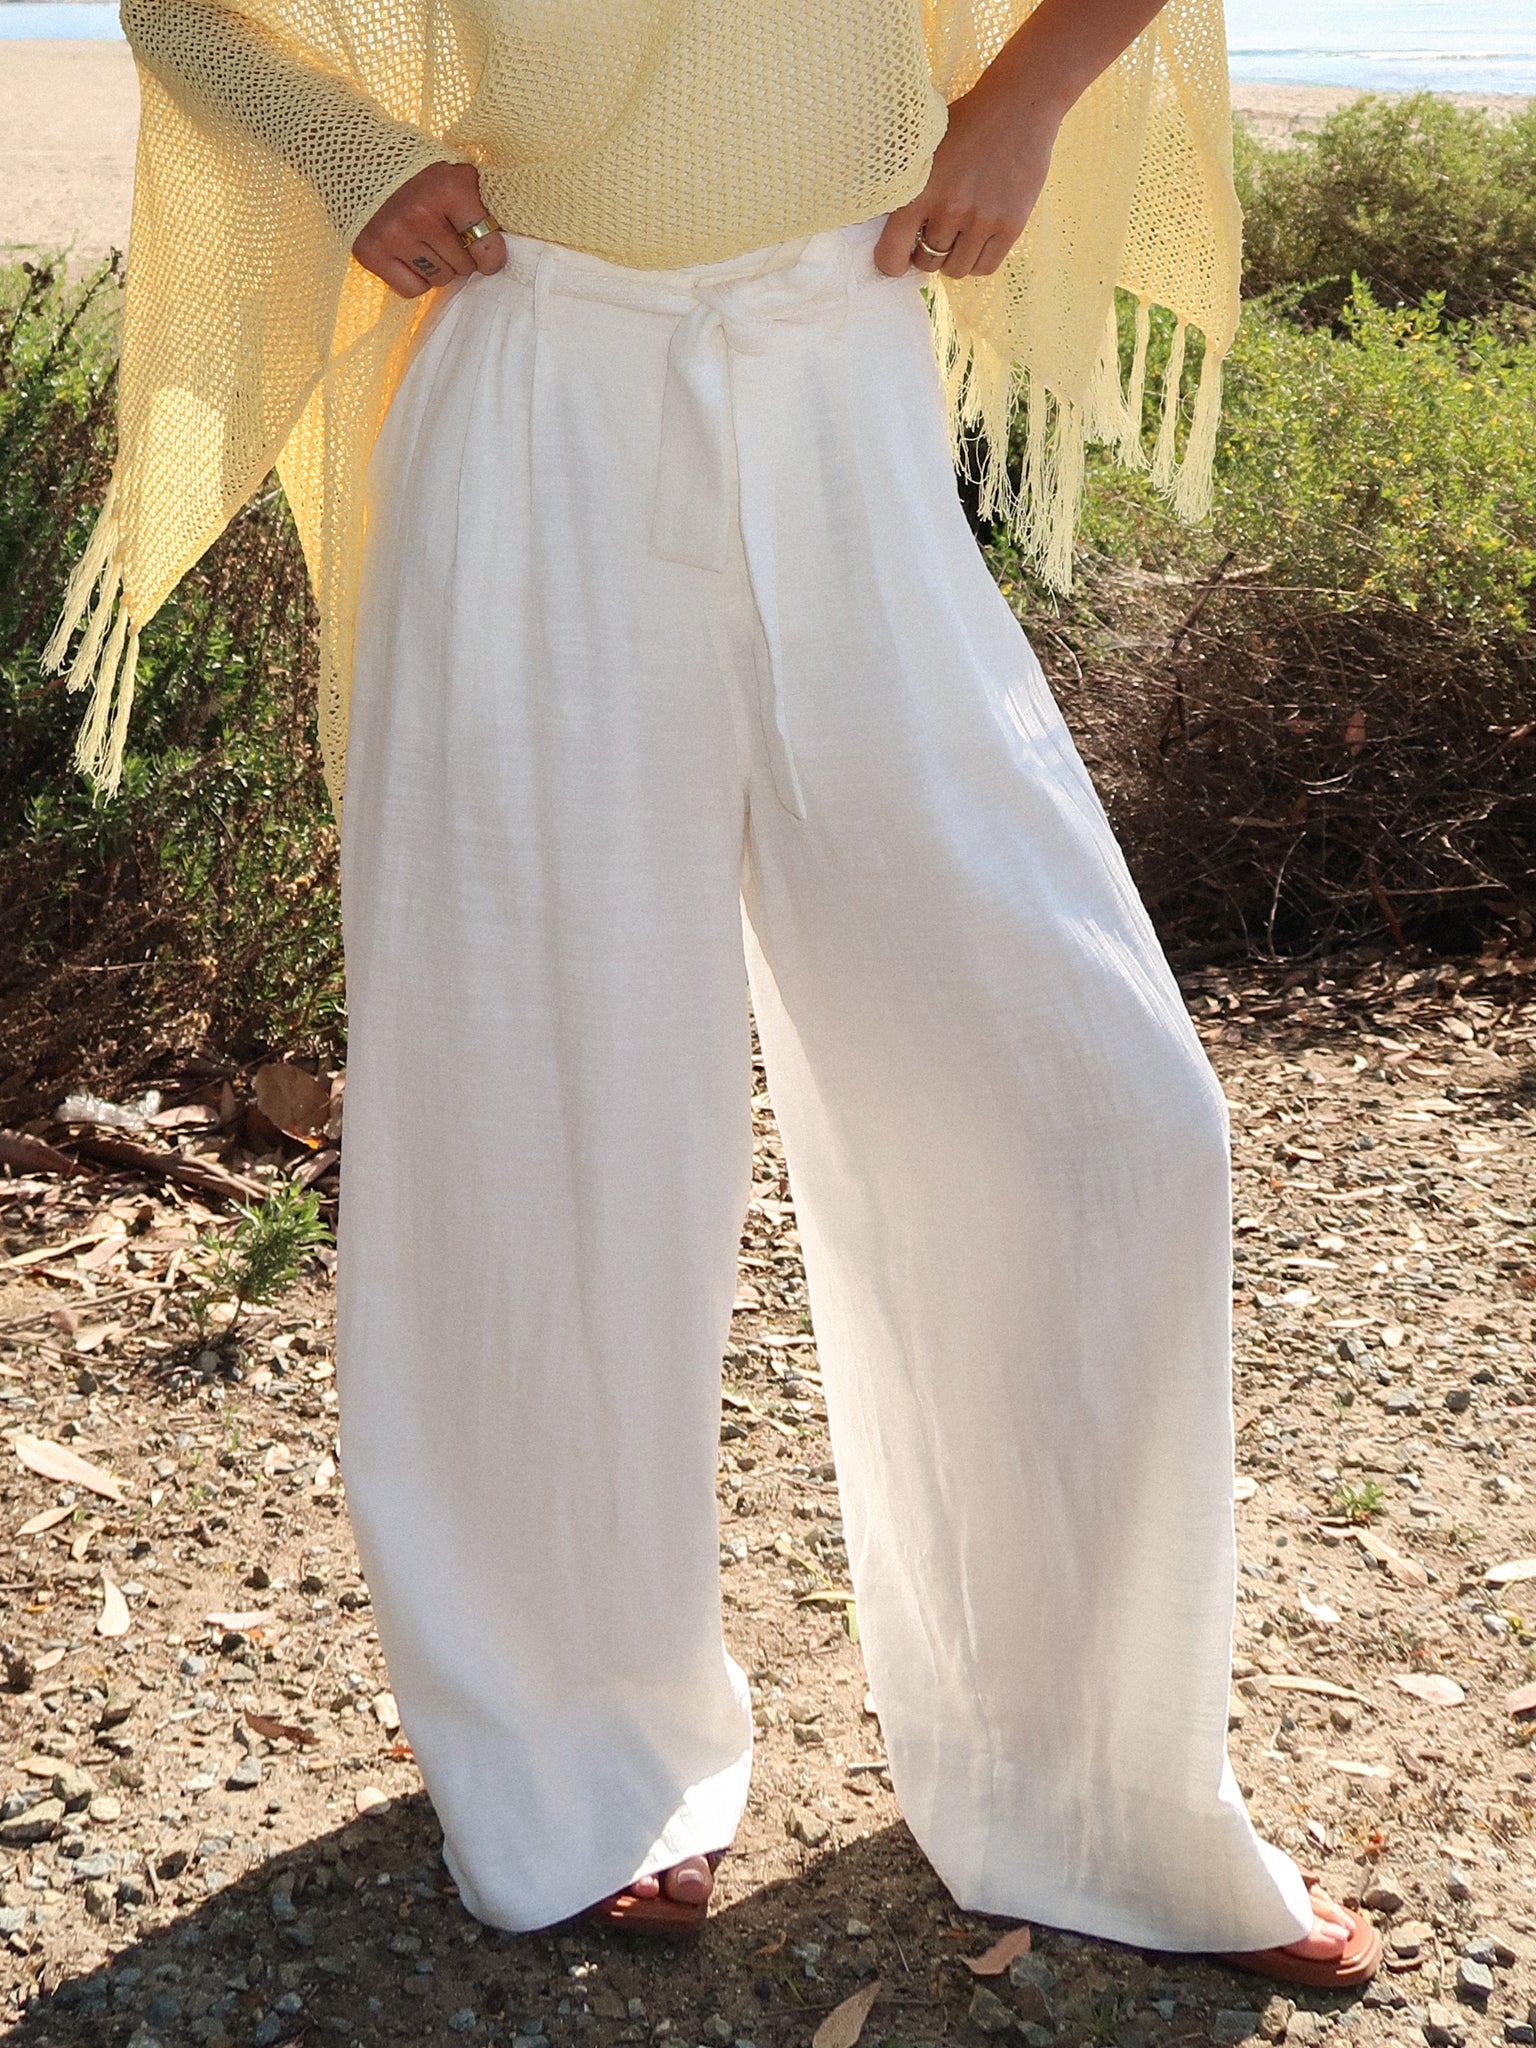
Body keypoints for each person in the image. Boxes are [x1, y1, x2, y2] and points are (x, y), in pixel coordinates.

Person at [51, 0, 1379, 1982]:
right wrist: (354, 158)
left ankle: (1092, 1787)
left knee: (1103, 1115)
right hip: (529, 401)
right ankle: (580, 1762)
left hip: (842, 377)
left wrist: (1024, 99)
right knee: (534, 1116)